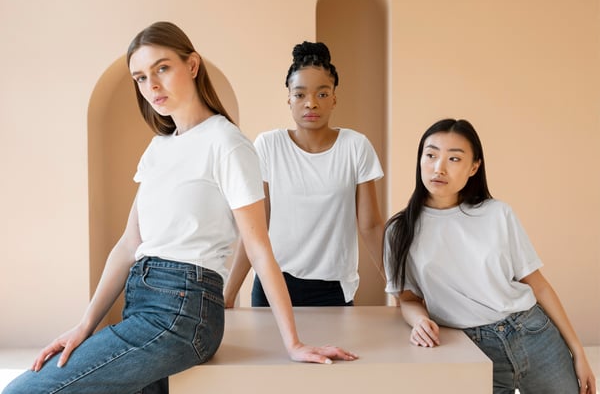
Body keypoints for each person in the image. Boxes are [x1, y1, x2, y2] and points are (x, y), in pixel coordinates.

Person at [2, 22, 357, 394]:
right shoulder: (159, 148)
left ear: (192, 65)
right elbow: (129, 244)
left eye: (162, 68)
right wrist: (84, 326)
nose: (151, 85)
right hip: (141, 303)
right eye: (140, 77)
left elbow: (258, 246)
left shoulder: (227, 143)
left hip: (185, 312)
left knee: (23, 391)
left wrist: (293, 343)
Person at [383, 118, 596, 394]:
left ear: (474, 167)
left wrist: (578, 352)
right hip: (471, 346)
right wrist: (420, 320)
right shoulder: (400, 231)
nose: (439, 167)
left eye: (454, 158)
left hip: (534, 333)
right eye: (431, 155)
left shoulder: (497, 214)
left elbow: (538, 284)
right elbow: (407, 299)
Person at [224, 41, 385, 308]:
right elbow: (255, 228)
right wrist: (229, 295)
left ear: (334, 98)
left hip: (333, 291)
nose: (311, 103)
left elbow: (371, 226)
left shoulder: (355, 146)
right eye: (300, 95)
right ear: (288, 99)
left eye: (322, 94)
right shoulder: (268, 145)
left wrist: (399, 289)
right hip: (272, 285)